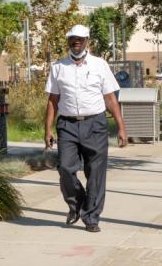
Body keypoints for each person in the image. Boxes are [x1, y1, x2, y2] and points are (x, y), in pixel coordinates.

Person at [44, 24, 127, 233]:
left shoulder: (100, 65)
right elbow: (53, 100)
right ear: (68, 42)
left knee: (96, 173)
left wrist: (121, 128)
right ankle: (77, 203)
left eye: (80, 39)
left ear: (87, 41)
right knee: (65, 168)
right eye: (73, 39)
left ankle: (91, 218)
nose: (76, 42)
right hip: (67, 125)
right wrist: (48, 129)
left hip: (95, 124)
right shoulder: (58, 67)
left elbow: (110, 98)